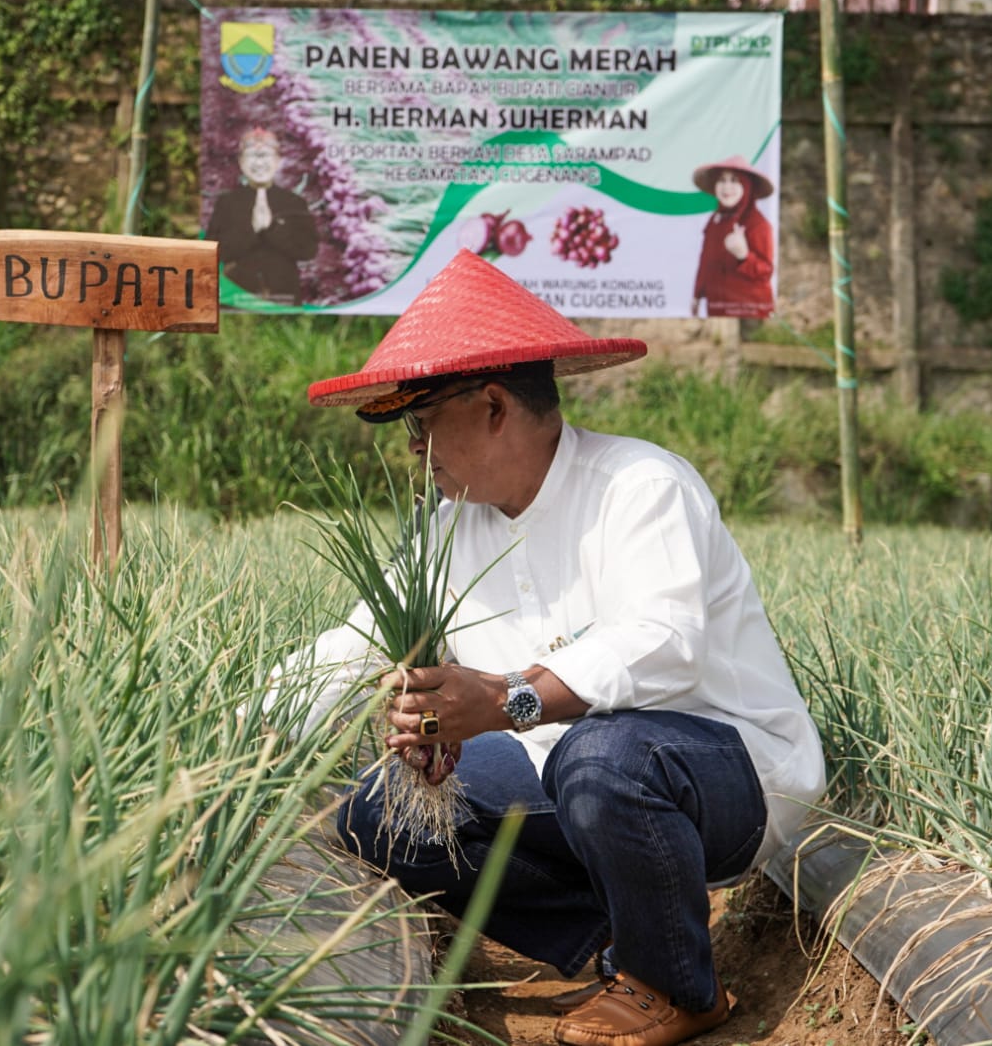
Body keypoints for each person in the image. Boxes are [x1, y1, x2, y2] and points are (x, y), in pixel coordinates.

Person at [277, 249, 825, 1046]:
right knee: (380, 810)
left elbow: (662, 645)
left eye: (423, 426)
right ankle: (621, 945)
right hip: (560, 774)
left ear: (493, 405)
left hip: (726, 776)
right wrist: (232, 739)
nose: (414, 453)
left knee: (601, 757)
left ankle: (678, 985)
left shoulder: (640, 487)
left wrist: (501, 700)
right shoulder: (448, 529)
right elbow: (354, 644)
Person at [204, 127, 319, 304]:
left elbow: (308, 250)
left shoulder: (294, 203)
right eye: (251, 156)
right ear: (241, 162)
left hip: (284, 298)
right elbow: (213, 253)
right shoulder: (226, 203)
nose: (259, 163)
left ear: (278, 161)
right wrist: (252, 230)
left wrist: (272, 228)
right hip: (238, 298)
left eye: (265, 155)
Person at [690, 155, 776, 320]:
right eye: (722, 180)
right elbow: (706, 259)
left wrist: (744, 256)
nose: (726, 187)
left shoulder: (758, 225)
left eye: (735, 180)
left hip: (750, 311)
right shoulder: (715, 220)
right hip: (718, 306)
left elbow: (766, 272)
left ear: (747, 186)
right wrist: (697, 294)